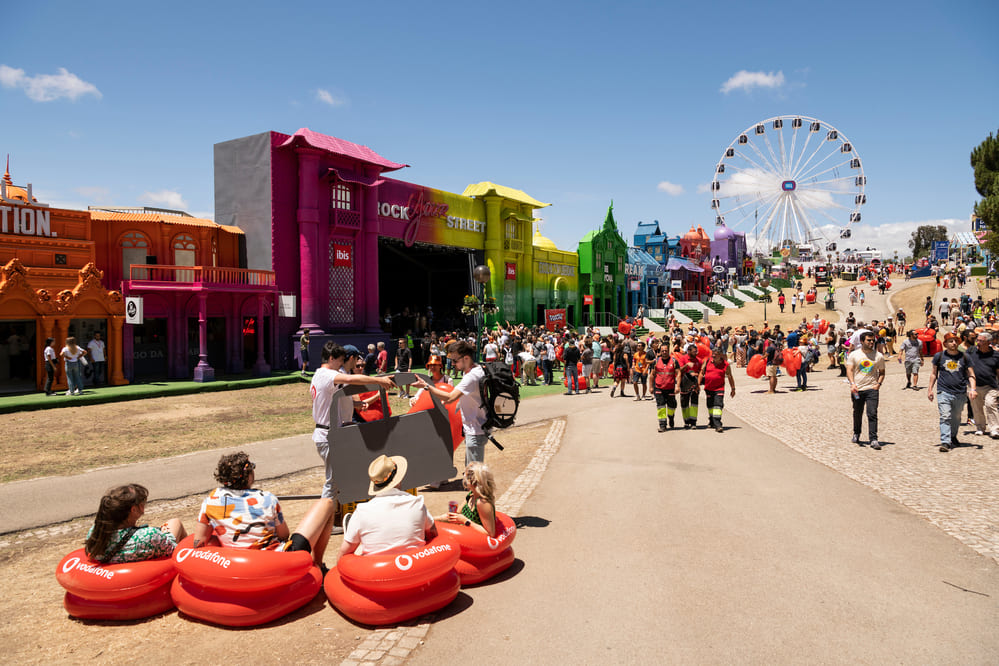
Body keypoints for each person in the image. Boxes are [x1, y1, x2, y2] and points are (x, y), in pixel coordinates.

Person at [193, 452, 335, 569]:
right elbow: (284, 535)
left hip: (233, 565)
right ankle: (317, 564)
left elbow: (199, 542)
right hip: (277, 563)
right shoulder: (267, 498)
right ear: (248, 475)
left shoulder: (211, 500)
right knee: (327, 503)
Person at [311, 342, 396, 508]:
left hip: (330, 434)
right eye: (340, 360)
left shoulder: (319, 375)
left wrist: (355, 405)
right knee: (332, 483)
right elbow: (350, 379)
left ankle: (337, 514)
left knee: (340, 478)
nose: (342, 365)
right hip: (328, 436)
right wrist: (379, 381)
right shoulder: (327, 375)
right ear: (331, 358)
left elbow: (338, 397)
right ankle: (325, 518)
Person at [340, 454, 437, 556]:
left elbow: (344, 554)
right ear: (398, 479)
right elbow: (434, 535)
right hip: (415, 567)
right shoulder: (417, 503)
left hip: (376, 569)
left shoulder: (362, 511)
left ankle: (353, 532)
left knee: (358, 548)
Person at [413, 339, 489, 466]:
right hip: (477, 428)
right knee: (472, 471)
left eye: (455, 360)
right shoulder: (477, 370)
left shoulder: (471, 377)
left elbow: (450, 397)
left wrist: (426, 386)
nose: (452, 364)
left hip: (475, 430)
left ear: (466, 358)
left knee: (474, 474)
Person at [84, 484, 186, 564]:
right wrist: (161, 535)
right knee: (175, 522)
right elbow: (174, 549)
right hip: (144, 580)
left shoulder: (95, 532)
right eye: (142, 503)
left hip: (110, 578)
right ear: (133, 509)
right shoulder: (149, 536)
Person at [928, 333, 978, 452]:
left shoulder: (965, 357)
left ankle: (953, 436)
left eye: (955, 341)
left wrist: (973, 389)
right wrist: (930, 389)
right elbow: (934, 373)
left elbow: (971, 374)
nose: (954, 343)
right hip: (943, 391)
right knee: (945, 416)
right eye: (950, 341)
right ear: (945, 344)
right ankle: (945, 442)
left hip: (960, 392)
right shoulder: (939, 356)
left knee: (956, 417)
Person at [846, 331, 886, 449]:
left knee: (872, 413)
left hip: (872, 388)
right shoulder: (854, 354)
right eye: (869, 340)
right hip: (857, 388)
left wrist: (878, 384)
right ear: (862, 341)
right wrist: (852, 383)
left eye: (873, 340)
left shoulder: (878, 356)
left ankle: (873, 439)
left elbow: (882, 372)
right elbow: (849, 369)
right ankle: (856, 433)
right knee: (857, 412)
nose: (871, 342)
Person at [439, 461, 497, 537]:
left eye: (465, 476)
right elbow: (457, 515)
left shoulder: (483, 503)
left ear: (472, 481)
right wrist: (432, 519)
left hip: (475, 542)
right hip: (464, 535)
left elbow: (490, 534)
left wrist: (465, 521)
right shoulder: (471, 495)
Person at [965, 331, 999, 438]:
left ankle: (994, 429)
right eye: (977, 340)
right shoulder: (971, 352)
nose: (978, 343)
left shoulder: (996, 355)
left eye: (981, 341)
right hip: (974, 386)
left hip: (990, 386)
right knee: (976, 407)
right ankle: (980, 427)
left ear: (989, 342)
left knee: (990, 404)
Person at [698, 347, 736, 432]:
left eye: (716, 354)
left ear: (720, 355)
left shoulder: (725, 365)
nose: (714, 355)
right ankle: (712, 420)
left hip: (719, 388)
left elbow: (730, 376)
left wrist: (733, 389)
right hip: (708, 388)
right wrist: (698, 384)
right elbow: (701, 372)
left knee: (718, 405)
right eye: (713, 353)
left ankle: (718, 424)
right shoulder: (707, 361)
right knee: (710, 406)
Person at [649, 341, 678, 432]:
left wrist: (678, 386)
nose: (664, 352)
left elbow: (679, 373)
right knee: (661, 407)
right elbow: (652, 375)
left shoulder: (674, 361)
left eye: (666, 350)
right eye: (663, 351)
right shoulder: (656, 361)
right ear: (660, 351)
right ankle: (662, 425)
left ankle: (671, 417)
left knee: (672, 406)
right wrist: (651, 387)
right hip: (659, 388)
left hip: (670, 388)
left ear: (668, 350)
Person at [676, 342, 702, 428]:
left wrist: (698, 381)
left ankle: (693, 422)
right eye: (694, 351)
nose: (696, 353)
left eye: (696, 351)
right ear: (689, 351)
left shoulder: (699, 360)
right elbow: (679, 370)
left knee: (694, 404)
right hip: (684, 383)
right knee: (684, 403)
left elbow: (701, 372)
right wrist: (686, 365)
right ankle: (686, 421)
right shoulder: (683, 359)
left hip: (695, 384)